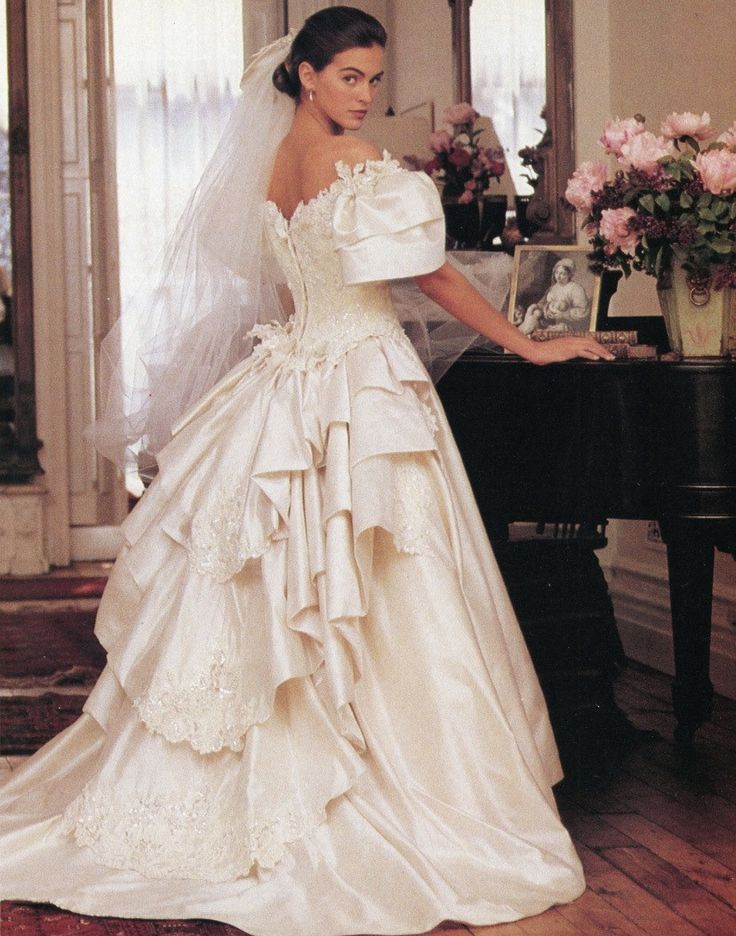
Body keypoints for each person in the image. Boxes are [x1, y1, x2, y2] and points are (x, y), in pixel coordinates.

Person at [1, 8, 614, 934]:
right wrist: (529, 346)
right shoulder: (355, 165)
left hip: (290, 377)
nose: (366, 96)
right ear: (307, 76)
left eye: (375, 79)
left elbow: (298, 284)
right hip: (357, 380)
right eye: (352, 78)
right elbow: (433, 276)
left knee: (296, 582)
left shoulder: (269, 165)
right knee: (378, 582)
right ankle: (382, 790)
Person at [523, 257, 591, 334]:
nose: (558, 276)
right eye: (557, 273)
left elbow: (583, 311)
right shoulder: (552, 288)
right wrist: (544, 310)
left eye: (562, 274)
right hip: (548, 322)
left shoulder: (576, 289)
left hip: (568, 325)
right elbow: (542, 303)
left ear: (569, 275)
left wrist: (563, 314)